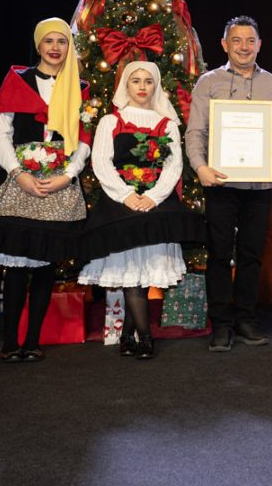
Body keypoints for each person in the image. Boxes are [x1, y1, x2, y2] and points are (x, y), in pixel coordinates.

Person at [0, 17, 90, 362]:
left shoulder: (79, 87)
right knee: (17, 265)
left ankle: (33, 341)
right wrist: (18, 173)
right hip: (21, 181)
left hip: (59, 183)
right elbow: (2, 134)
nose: (55, 48)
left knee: (45, 265)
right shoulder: (18, 80)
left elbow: (84, 139)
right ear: (38, 45)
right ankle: (10, 342)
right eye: (48, 41)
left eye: (62, 41)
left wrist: (68, 175)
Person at [78, 62, 205, 359]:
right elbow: (101, 161)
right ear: (126, 84)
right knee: (131, 274)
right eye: (136, 80)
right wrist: (125, 195)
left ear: (156, 86)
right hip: (120, 203)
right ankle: (145, 338)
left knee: (141, 272)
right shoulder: (110, 121)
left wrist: (153, 197)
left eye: (148, 81)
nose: (142, 86)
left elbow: (173, 166)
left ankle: (128, 335)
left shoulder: (167, 124)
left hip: (155, 203)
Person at [186, 15, 272, 352]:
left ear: (259, 45)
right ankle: (220, 324)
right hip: (220, 182)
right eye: (237, 40)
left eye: (250, 41)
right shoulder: (208, 82)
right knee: (218, 255)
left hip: (259, 185)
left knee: (251, 255)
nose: (244, 47)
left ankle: (246, 320)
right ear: (224, 44)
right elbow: (195, 132)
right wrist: (200, 167)